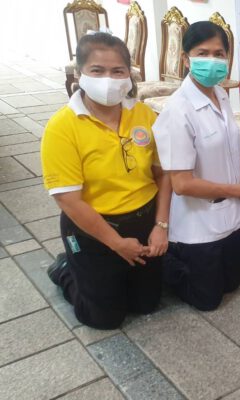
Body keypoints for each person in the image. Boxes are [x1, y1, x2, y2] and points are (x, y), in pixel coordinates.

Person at [41, 32, 171, 330]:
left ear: (129, 75)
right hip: (93, 229)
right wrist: (116, 243)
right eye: (97, 71)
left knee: (147, 304)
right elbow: (68, 200)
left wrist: (161, 226)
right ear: (80, 74)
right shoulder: (62, 127)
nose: (108, 80)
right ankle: (66, 269)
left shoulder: (143, 114)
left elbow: (163, 174)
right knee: (103, 318)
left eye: (117, 71)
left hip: (143, 219)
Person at [152, 21, 240, 311]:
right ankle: (163, 261)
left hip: (227, 214)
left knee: (232, 282)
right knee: (207, 300)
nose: (212, 61)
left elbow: (217, 152)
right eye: (203, 53)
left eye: (219, 54)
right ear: (185, 59)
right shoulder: (178, 111)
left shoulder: (220, 95)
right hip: (196, 222)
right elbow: (182, 184)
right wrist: (238, 190)